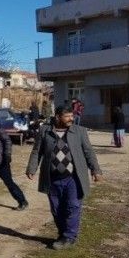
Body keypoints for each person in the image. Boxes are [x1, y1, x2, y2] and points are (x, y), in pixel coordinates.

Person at [26, 106, 102, 250]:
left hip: (73, 178)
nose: (71, 119)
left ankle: (69, 236)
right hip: (52, 178)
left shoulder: (79, 131)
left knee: (73, 206)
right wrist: (32, 168)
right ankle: (63, 234)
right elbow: (37, 151)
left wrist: (95, 170)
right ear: (57, 117)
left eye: (72, 116)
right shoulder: (45, 131)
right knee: (56, 209)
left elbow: (89, 152)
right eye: (67, 116)